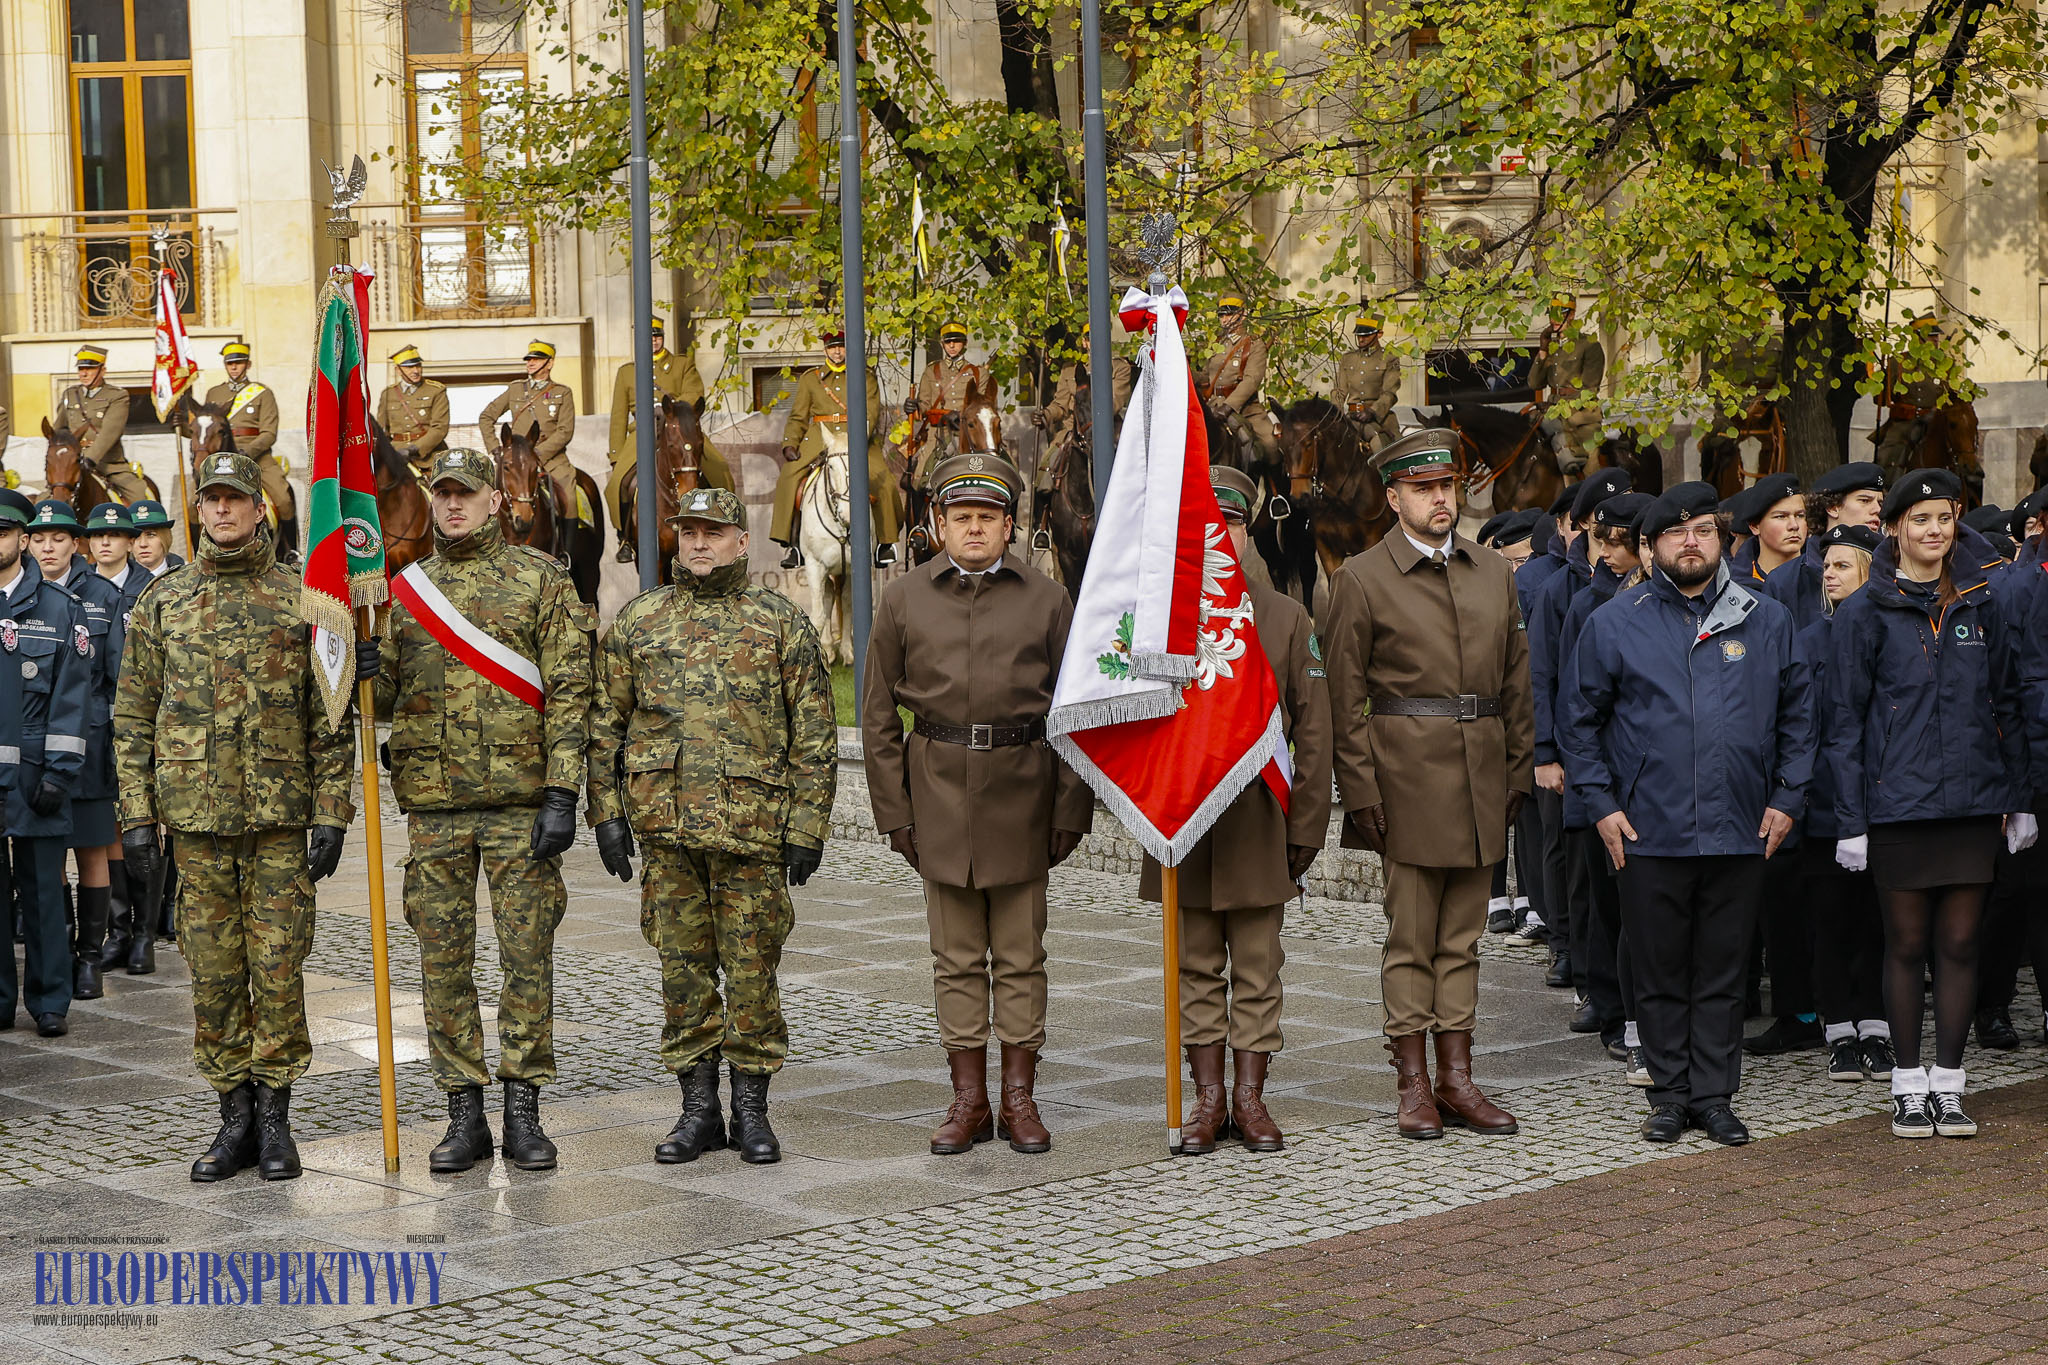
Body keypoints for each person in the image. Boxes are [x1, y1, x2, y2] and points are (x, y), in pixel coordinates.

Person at [114, 451, 358, 1182]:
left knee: (280, 971)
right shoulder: (164, 602)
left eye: (235, 499)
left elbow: (331, 720)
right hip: (195, 822)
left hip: (279, 823)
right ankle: (233, 1116)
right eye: (212, 499)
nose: (222, 510)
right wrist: (136, 817)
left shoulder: (301, 598)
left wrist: (332, 811)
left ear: (259, 509)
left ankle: (277, 1117)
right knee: (215, 975)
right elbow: (132, 717)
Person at [589, 485, 836, 1166]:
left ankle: (751, 1111)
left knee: (754, 972)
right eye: (689, 531)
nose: (699, 543)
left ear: (742, 541)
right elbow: (604, 727)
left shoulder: (780, 623)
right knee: (683, 974)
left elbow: (813, 734)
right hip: (667, 837)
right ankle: (697, 1109)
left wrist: (807, 826)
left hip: (753, 833)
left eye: (714, 531)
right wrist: (607, 816)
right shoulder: (640, 621)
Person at [1560, 481, 1812, 1147]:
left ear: (1723, 536)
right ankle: (1670, 1093)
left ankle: (1714, 1093)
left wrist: (1788, 796)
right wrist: (1603, 805)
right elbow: (1578, 723)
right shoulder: (1615, 622)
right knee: (1659, 967)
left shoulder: (1766, 617)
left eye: (1702, 528)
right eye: (1675, 533)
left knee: (1725, 968)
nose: (1690, 541)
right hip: (1648, 826)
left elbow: (1799, 715)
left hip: (1740, 824)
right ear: (1649, 547)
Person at [862, 453, 1092, 1156]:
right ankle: (969, 1098)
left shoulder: (1048, 600)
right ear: (938, 523)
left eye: (987, 518)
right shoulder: (903, 599)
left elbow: (1078, 709)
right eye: (960, 516)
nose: (972, 529)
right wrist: (895, 814)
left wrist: (1069, 809)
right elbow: (876, 717)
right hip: (937, 793)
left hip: (1024, 789)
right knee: (956, 956)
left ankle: (1020, 1096)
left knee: (1021, 955)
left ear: (1010, 525)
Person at [375, 448, 597, 1174]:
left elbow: (571, 689)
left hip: (519, 803)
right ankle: (462, 1112)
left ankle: (523, 1110)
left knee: (526, 958)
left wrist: (564, 791)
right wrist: (361, 671)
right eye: (441, 495)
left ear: (497, 500)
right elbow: (380, 704)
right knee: (443, 964)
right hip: (434, 809)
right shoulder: (407, 592)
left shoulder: (540, 580)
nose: (452, 506)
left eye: (465, 494)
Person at [1326, 429, 1534, 1141]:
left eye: (1447, 486)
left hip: (1480, 778)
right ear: (1394, 498)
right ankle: (1413, 1081)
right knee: (1413, 938)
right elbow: (1344, 700)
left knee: (1464, 939)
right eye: (1424, 488)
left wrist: (1516, 772)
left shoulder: (1492, 572)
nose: (1441, 499)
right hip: (1404, 778)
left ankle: (1457, 1076)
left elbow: (1516, 683)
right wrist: (1360, 792)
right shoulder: (1361, 577)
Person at [1824, 468, 2032, 1139]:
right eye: (1919, 520)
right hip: (1899, 806)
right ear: (1893, 529)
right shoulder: (1863, 613)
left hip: (1972, 803)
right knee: (1907, 943)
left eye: (1944, 518)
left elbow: (2009, 702)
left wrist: (2019, 796)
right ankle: (1907, 1083)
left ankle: (1949, 1081)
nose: (1934, 530)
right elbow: (1844, 721)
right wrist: (1850, 819)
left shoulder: (1982, 600)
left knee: (1962, 943)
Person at [1135, 466, 1332, 1154]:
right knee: (1192, 967)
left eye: (1231, 522)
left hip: (1256, 823)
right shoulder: (1155, 619)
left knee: (1257, 965)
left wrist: (1305, 829)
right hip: (1185, 826)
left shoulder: (1284, 617)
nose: (1217, 535)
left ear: (1247, 529)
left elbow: (1316, 731)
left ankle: (1249, 1096)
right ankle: (1207, 1096)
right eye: (1201, 524)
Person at [1792, 524, 1894, 1082]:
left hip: (1885, 801)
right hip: (1825, 804)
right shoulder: (1807, 641)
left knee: (1878, 921)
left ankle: (1876, 1025)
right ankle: (1839, 1029)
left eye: (1840, 566)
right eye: (1824, 566)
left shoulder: (1891, 631)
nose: (1827, 575)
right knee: (1828, 919)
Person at [1556, 490, 1655, 1061]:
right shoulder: (1594, 609)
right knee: (1609, 902)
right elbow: (1572, 696)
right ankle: (1616, 1009)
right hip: (1609, 778)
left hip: (1658, 780)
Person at [1529, 468, 1632, 1006]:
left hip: (1625, 751)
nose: (1611, 545)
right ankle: (1583, 970)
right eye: (1602, 532)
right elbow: (1544, 674)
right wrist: (1546, 751)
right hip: (1575, 746)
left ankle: (1609, 984)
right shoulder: (1559, 589)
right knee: (1579, 864)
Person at [0, 488, 92, 1037]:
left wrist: (60, 771)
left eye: (6, 532)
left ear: (24, 538)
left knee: (42, 892)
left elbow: (73, 695)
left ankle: (50, 998)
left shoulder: (62, 609)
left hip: (38, 775)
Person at [25, 500, 123, 1002]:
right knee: (46, 855)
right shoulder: (20, 597)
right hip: (35, 748)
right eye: (40, 538)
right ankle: (59, 949)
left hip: (90, 743)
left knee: (90, 851)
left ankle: (90, 959)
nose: (48, 546)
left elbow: (117, 676)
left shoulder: (102, 596)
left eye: (59, 538)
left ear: (76, 544)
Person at [81, 502, 156, 977]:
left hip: (141, 723)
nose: (105, 543)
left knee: (145, 824)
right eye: (98, 537)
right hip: (98, 728)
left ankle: (146, 933)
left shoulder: (149, 588)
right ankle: (119, 929)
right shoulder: (81, 592)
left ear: (132, 542)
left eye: (115, 537)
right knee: (108, 827)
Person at [771, 329, 898, 571]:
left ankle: (885, 543)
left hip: (857, 435)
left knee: (885, 482)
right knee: (789, 477)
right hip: (820, 435)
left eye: (841, 346)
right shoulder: (811, 378)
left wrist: (859, 438)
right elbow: (799, 415)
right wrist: (790, 443)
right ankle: (793, 544)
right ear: (825, 350)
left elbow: (871, 412)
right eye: (832, 347)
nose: (837, 351)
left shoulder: (865, 376)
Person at [608, 317, 731, 564]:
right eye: (648, 337)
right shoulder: (627, 372)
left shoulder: (682, 364)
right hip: (642, 432)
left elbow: (694, 393)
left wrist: (670, 408)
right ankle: (626, 539)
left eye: (657, 336)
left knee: (720, 470)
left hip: (677, 428)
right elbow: (618, 415)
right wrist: (615, 454)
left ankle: (729, 528)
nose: (653, 341)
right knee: (618, 485)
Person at [1763, 462, 1885, 632]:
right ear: (1833, 507)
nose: (1877, 509)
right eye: (1865, 500)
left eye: (1880, 502)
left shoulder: (1892, 572)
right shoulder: (1785, 582)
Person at [478, 340, 583, 538]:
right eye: (529, 359)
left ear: (549, 363)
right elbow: (486, 417)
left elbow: (565, 430)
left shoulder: (563, 392)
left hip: (551, 460)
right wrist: (496, 450)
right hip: (516, 462)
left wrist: (537, 453)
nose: (530, 363)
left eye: (537, 359)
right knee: (483, 496)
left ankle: (566, 553)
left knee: (569, 498)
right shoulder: (516, 389)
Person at [202, 342, 294, 555]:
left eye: (239, 362)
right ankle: (198, 551)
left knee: (283, 498)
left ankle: (291, 550)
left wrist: (247, 453)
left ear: (248, 364)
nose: (234, 367)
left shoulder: (262, 393)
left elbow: (269, 433)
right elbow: (205, 430)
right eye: (230, 363)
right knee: (191, 502)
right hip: (220, 456)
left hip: (255, 455)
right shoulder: (214, 393)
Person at [53, 345, 146, 503]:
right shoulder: (70, 394)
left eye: (90, 368)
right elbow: (59, 429)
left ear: (103, 370)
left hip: (108, 465)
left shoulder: (117, 396)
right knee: (43, 504)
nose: (84, 373)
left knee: (140, 499)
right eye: (81, 368)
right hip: (72, 464)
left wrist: (89, 459)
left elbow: (110, 432)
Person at [904, 321, 990, 488]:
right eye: (948, 341)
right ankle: (919, 513)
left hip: (969, 434)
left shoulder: (979, 373)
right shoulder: (931, 371)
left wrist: (962, 416)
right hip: (938, 434)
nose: (952, 345)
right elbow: (924, 406)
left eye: (956, 341)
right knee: (919, 480)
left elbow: (983, 409)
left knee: (1003, 470)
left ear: (964, 343)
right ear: (942, 344)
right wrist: (913, 407)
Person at [1196, 294, 1278, 459]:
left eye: (1229, 314)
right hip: (1213, 406)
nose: (1225, 319)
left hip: (1246, 409)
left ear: (1242, 314)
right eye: (1221, 315)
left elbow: (1251, 380)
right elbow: (1206, 377)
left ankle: (1278, 485)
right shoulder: (1216, 344)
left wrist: (1228, 406)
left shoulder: (1254, 344)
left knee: (1271, 446)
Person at [1529, 296, 1604, 472]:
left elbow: (1590, 389)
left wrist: (1563, 413)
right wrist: (1542, 350)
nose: (1553, 319)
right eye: (1551, 314)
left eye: (1559, 313)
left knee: (1590, 466)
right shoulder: (1552, 348)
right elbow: (1534, 383)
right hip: (1554, 413)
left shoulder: (1589, 344)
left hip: (1582, 418)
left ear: (1571, 315)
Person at [375, 345, 451, 475]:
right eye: (409, 367)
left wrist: (414, 449)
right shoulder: (388, 394)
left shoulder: (436, 390)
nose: (415, 370)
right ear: (398, 370)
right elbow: (382, 431)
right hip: (396, 455)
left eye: (418, 366)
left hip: (429, 457)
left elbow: (440, 428)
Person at [1331, 313, 1402, 451]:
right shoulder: (1348, 359)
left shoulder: (1389, 358)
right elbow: (1339, 391)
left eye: (1366, 335)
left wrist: (1373, 411)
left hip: (1379, 419)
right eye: (1359, 335)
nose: (1361, 339)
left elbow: (1389, 392)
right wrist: (1336, 413)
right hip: (1351, 417)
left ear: (1379, 334)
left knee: (1381, 447)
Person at [1727, 473, 1805, 582]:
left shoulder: (1826, 578)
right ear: (1754, 526)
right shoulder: (1735, 588)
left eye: (1800, 515)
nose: (1794, 525)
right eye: (1781, 516)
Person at [129, 499, 185, 577]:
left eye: (151, 535)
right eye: (136, 536)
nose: (143, 544)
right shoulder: (115, 584)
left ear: (166, 539)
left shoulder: (188, 578)